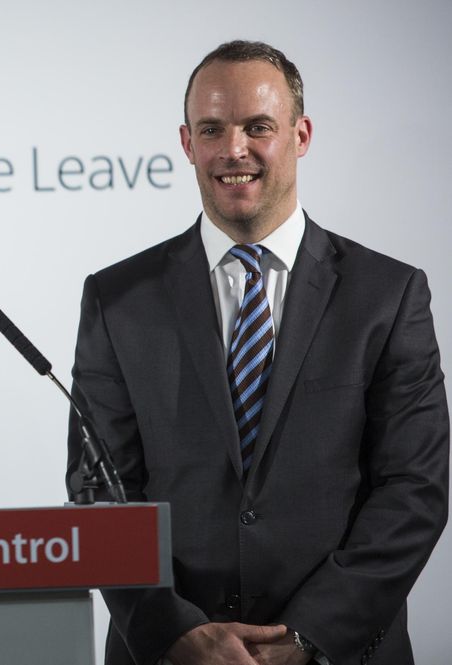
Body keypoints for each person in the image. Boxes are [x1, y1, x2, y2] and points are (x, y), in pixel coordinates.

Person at [67, 40, 448, 665]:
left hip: (342, 652)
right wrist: (174, 630)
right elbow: (98, 491)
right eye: (212, 128)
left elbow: (415, 489)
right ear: (188, 144)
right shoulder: (117, 299)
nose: (233, 149)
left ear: (300, 135)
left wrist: (308, 636)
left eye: (258, 127)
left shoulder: (389, 294)